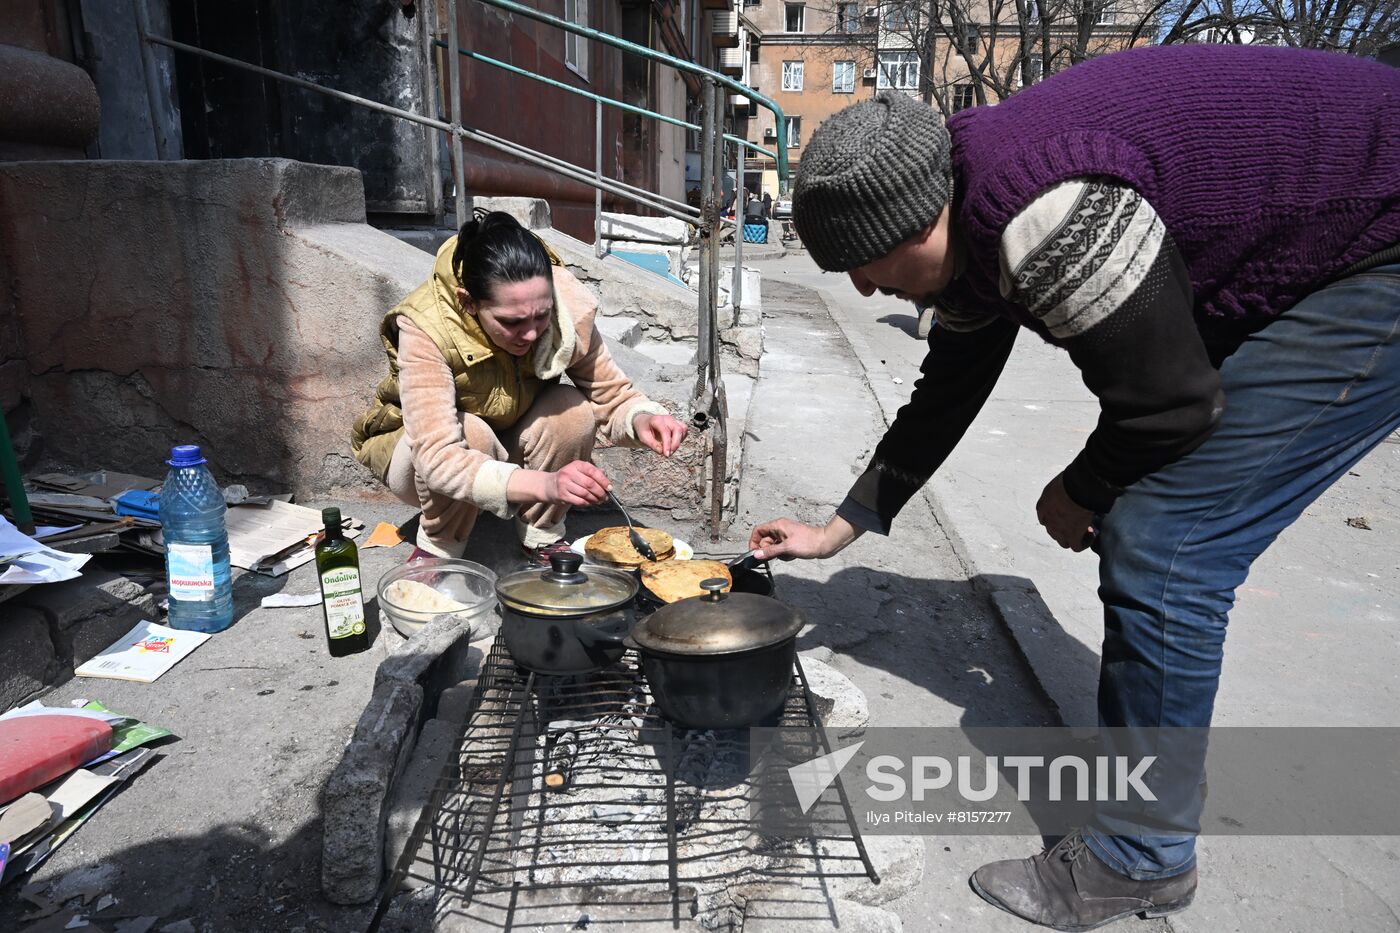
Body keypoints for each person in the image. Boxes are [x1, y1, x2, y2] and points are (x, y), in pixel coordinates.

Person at [749, 44, 1400, 930]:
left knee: (1166, 542)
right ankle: (1160, 769)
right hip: (1315, 230)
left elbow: (1172, 406)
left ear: (914, 229)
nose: (864, 291)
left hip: (1377, 243)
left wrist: (1081, 489)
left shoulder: (1046, 218)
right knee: (1148, 513)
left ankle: (1140, 859)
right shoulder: (965, 215)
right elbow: (946, 392)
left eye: (863, 265)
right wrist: (838, 528)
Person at [352, 210, 688, 562]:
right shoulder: (426, 326)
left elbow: (611, 393)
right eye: (512, 322)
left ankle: (541, 535)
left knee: (571, 411)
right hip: (421, 459)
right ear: (468, 302)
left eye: (541, 316)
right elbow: (437, 458)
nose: (530, 334)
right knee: (473, 433)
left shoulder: (564, 309)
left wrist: (642, 419)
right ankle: (440, 547)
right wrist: (548, 485)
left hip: (506, 446)